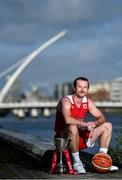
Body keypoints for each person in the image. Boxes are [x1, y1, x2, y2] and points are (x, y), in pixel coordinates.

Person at [54, 76, 118, 174]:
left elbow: (101, 117)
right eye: (79, 87)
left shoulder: (87, 102)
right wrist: (84, 124)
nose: (82, 89)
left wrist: (94, 123)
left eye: (85, 87)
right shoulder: (66, 101)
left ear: (88, 89)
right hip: (65, 140)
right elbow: (67, 120)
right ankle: (77, 163)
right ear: (74, 88)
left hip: (81, 138)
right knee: (72, 126)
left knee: (107, 125)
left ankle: (102, 161)